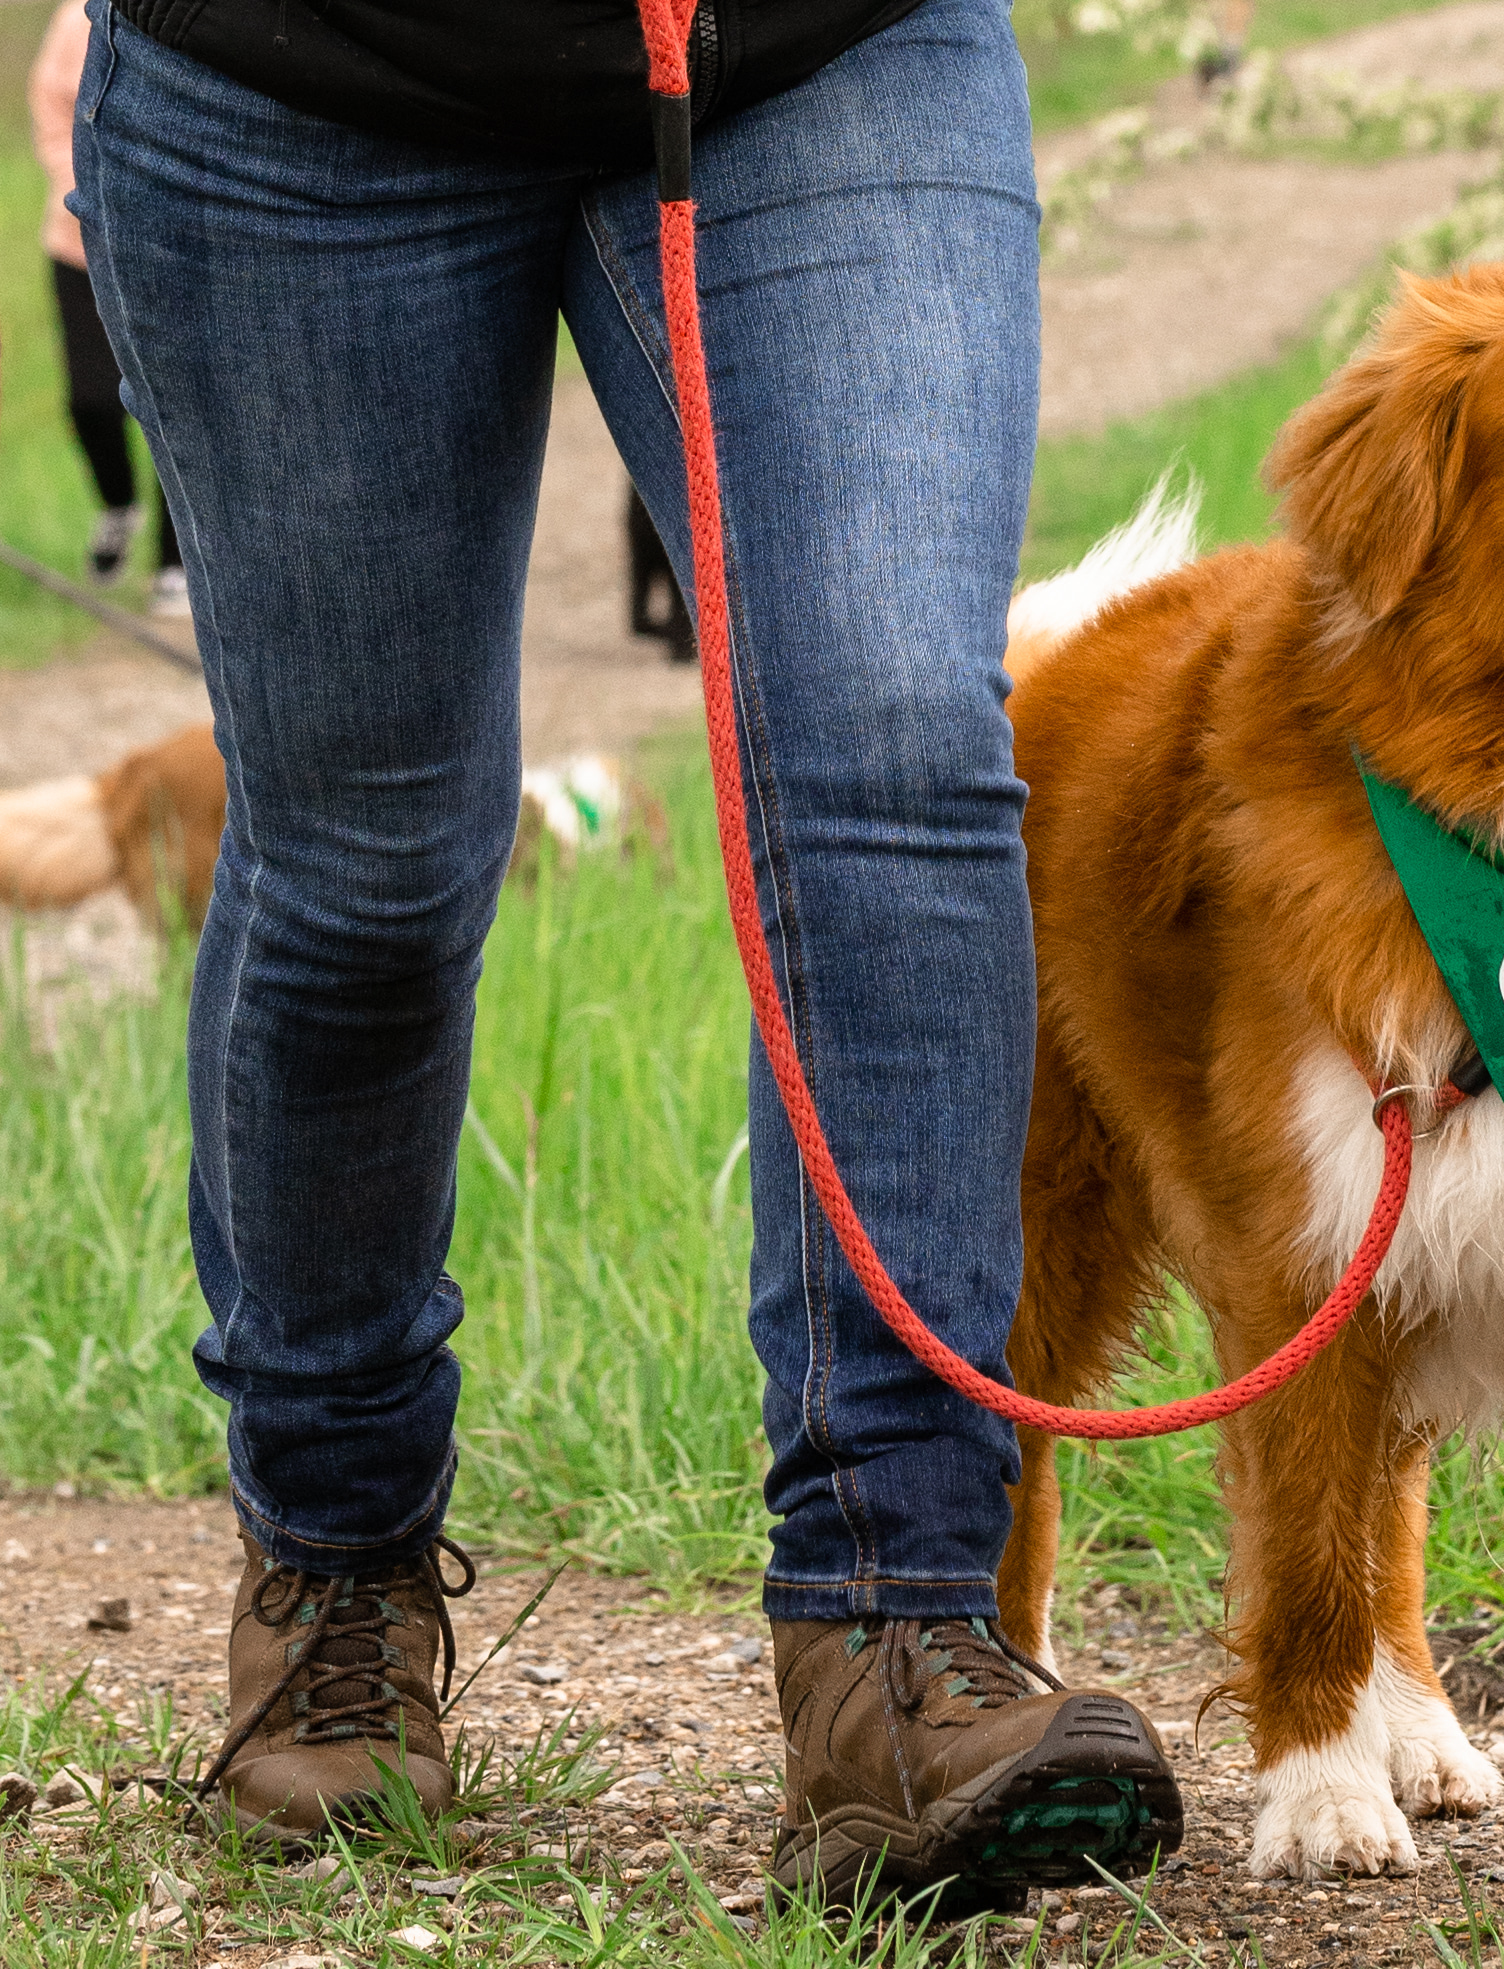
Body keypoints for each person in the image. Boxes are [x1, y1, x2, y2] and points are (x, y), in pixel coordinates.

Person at [63, 0, 1182, 1905]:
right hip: (295, 78)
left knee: (895, 754)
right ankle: (335, 1572)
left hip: (819, 52)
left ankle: (894, 1629)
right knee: (370, 863)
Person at [28, 0, 184, 615]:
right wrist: (92, 193)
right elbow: (50, 112)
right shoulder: (78, 18)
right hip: (78, 240)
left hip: (176, 247)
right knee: (91, 400)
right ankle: (119, 505)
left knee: (179, 406)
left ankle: (176, 563)